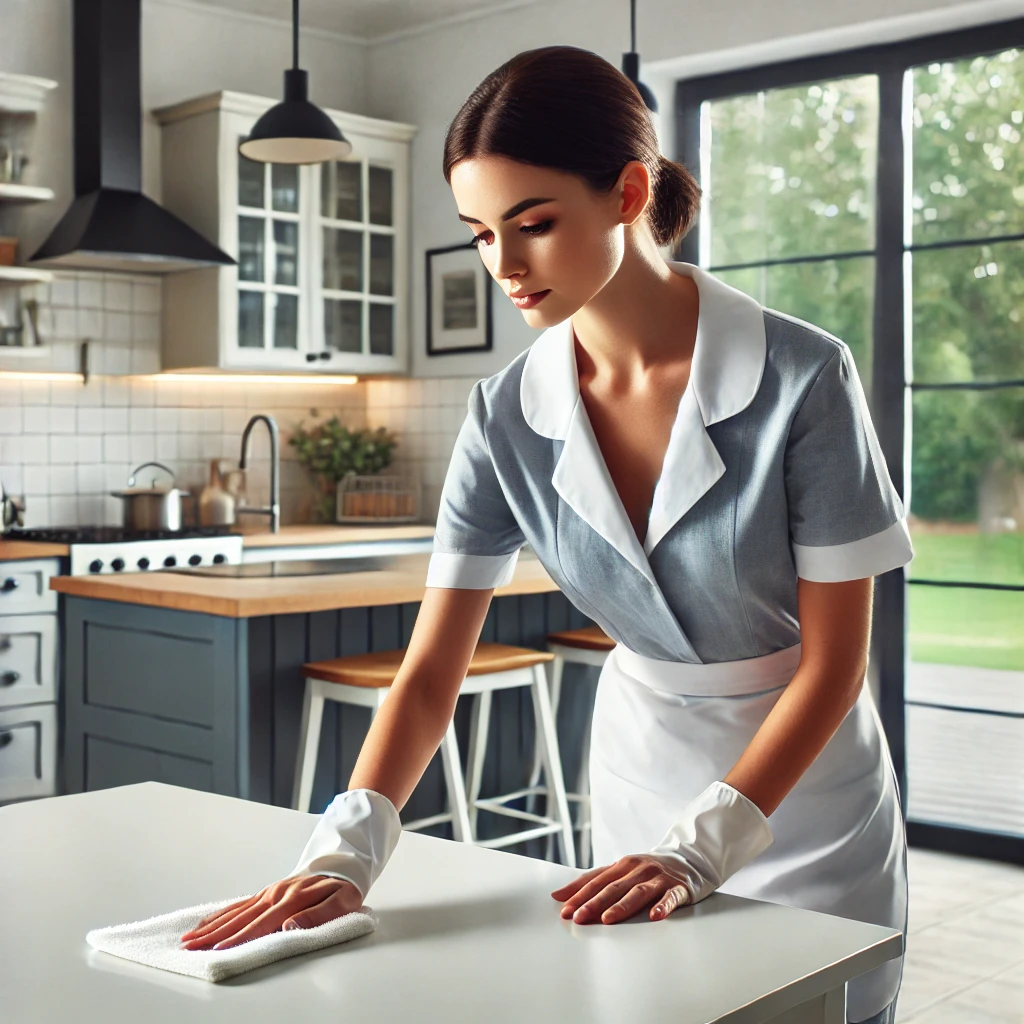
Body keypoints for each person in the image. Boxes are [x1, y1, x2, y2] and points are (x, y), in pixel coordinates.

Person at [180, 45, 911, 1024]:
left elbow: (833, 666)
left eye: (532, 224)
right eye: (481, 234)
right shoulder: (504, 415)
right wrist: (343, 854)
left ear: (627, 193)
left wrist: (702, 846)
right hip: (640, 769)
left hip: (803, 792)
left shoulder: (802, 379)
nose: (505, 267)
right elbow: (432, 668)